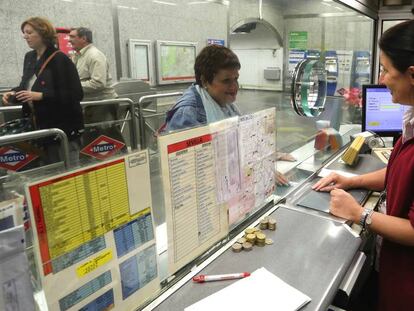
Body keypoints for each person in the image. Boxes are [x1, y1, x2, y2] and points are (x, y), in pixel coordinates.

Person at [312, 20, 414, 311]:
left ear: (412, 75)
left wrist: (359, 213)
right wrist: (352, 181)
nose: (381, 79)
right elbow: (398, 174)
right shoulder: (411, 120)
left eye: (386, 70)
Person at [164, 44, 293, 185]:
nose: (234, 87)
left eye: (236, 79)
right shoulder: (188, 114)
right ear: (205, 81)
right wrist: (255, 169)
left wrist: (266, 154)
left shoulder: (225, 104)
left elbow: (242, 140)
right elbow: (194, 169)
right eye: (226, 81)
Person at [2, 17, 84, 166]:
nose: (25, 36)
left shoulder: (60, 59)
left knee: (67, 172)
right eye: (24, 32)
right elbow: (26, 85)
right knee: (48, 172)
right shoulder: (30, 57)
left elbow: (76, 94)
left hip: (62, 127)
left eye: (29, 32)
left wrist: (41, 96)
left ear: (43, 33)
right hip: (40, 126)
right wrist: (13, 93)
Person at [68, 27, 118, 122]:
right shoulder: (77, 56)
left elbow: (98, 83)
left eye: (72, 37)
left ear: (84, 39)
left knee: (105, 136)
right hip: (90, 104)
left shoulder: (94, 55)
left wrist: (72, 86)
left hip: (102, 105)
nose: (69, 40)